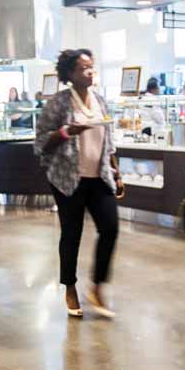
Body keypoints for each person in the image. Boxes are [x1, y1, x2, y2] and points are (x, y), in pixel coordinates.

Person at [34, 49, 124, 319]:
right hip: (68, 179)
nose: (89, 71)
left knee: (110, 228)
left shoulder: (100, 101)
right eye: (83, 67)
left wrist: (116, 173)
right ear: (70, 74)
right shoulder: (59, 103)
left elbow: (109, 143)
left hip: (99, 177)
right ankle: (70, 287)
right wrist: (65, 132)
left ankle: (96, 287)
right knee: (71, 234)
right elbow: (40, 142)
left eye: (91, 66)